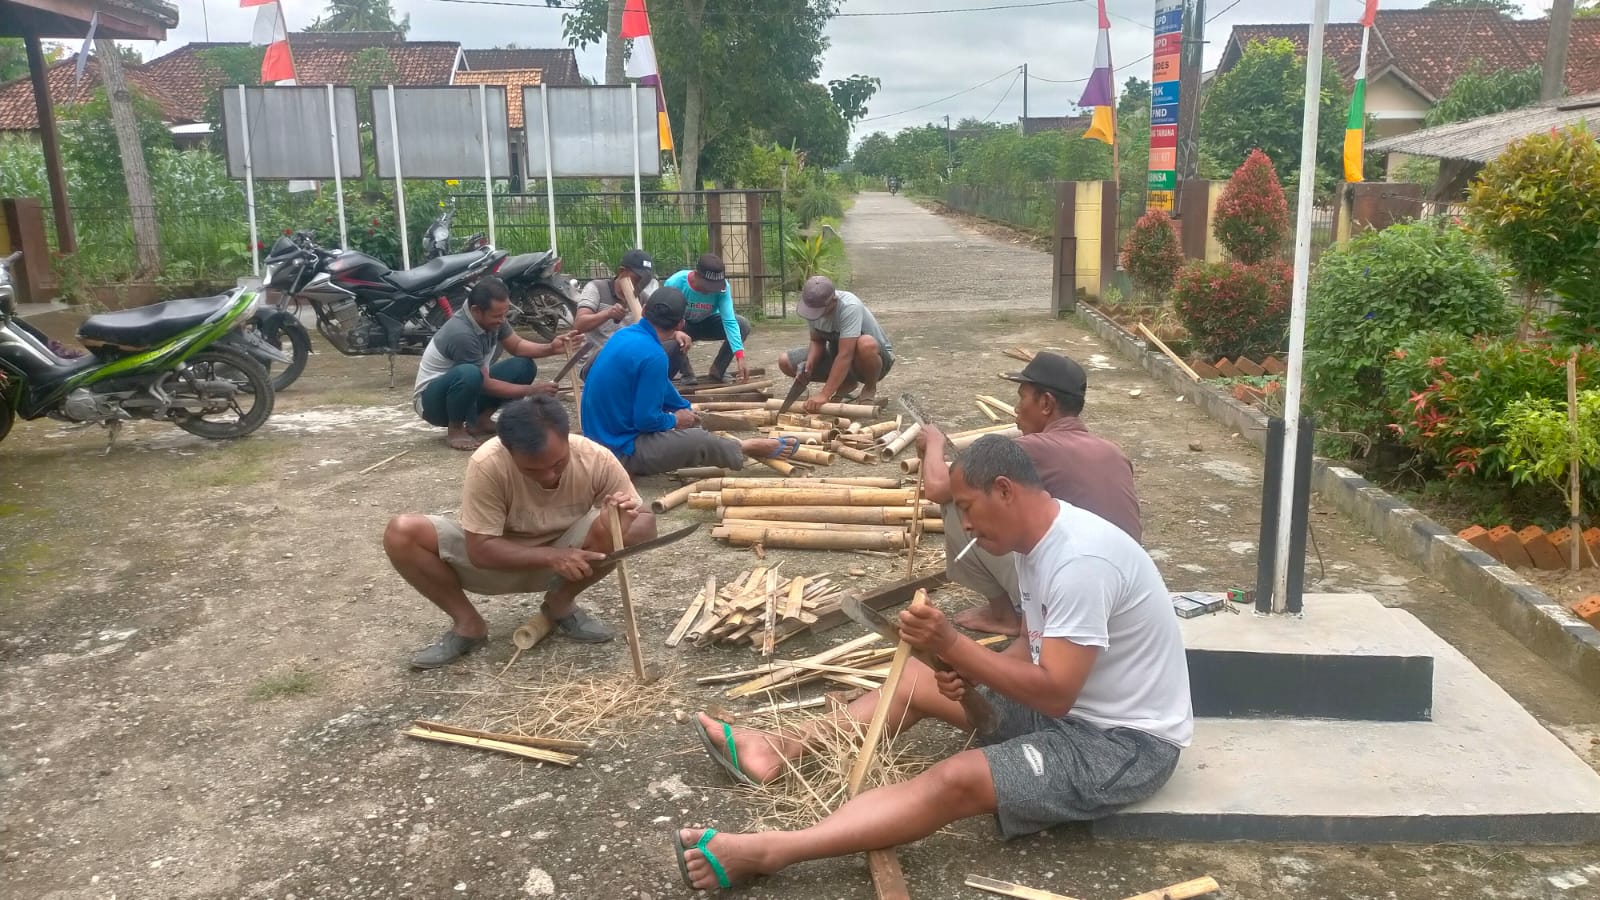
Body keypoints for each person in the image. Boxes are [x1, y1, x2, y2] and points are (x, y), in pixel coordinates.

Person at [674, 435, 1192, 891]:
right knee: (914, 681)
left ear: (1006, 490)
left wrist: (954, 645)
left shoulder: (1081, 562)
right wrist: (966, 675)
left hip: (1121, 745)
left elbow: (1055, 690)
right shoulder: (1036, 545)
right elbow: (1033, 648)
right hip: (1069, 715)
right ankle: (782, 750)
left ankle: (773, 850)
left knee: (957, 779)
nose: (963, 522)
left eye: (967, 507)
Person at [383, 396, 656, 668]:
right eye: (532, 470)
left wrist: (619, 522)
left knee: (619, 524)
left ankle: (559, 603)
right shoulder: (488, 463)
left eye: (558, 464)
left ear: (568, 438)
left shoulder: (594, 457)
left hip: (573, 557)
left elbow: (647, 525)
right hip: (502, 559)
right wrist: (552, 557)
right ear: (507, 449)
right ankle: (469, 625)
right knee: (402, 532)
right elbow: (480, 551)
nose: (549, 476)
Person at [918, 351, 1142, 636]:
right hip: (1124, 584)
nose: (1015, 409)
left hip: (1079, 584)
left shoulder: (1032, 449)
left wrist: (934, 443)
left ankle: (1005, 614)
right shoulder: (1113, 451)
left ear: (1046, 403)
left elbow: (938, 488)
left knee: (962, 504)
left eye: (1022, 397)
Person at [580, 287, 800, 477]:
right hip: (618, 452)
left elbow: (662, 387)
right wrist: (674, 420)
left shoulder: (623, 335)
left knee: (686, 422)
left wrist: (683, 408)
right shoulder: (654, 356)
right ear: (681, 324)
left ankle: (704, 433)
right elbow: (646, 421)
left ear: (644, 311)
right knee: (697, 441)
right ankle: (744, 447)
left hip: (597, 440)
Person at [413, 276, 574, 451]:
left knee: (523, 365)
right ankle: (456, 428)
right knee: (469, 373)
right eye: (497, 316)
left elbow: (517, 346)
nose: (502, 320)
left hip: (468, 391)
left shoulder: (494, 319)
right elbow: (485, 384)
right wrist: (533, 391)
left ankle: (480, 421)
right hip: (432, 403)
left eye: (504, 314)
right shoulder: (461, 333)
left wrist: (551, 347)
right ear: (476, 311)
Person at [778, 275, 894, 412]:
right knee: (785, 361)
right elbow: (817, 340)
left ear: (833, 301)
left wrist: (824, 394)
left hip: (871, 360)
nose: (816, 315)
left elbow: (845, 355)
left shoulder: (850, 306)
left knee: (865, 344)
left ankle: (869, 387)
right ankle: (846, 382)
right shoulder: (812, 303)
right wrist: (809, 363)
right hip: (838, 354)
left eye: (820, 310)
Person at [661, 253, 751, 384]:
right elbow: (663, 319)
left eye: (714, 286)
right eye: (707, 285)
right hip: (682, 327)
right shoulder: (675, 283)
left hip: (708, 323)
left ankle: (718, 370)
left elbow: (729, 321)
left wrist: (740, 356)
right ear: (696, 275)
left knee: (742, 324)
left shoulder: (723, 288)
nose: (710, 291)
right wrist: (674, 333)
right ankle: (686, 372)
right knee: (670, 328)